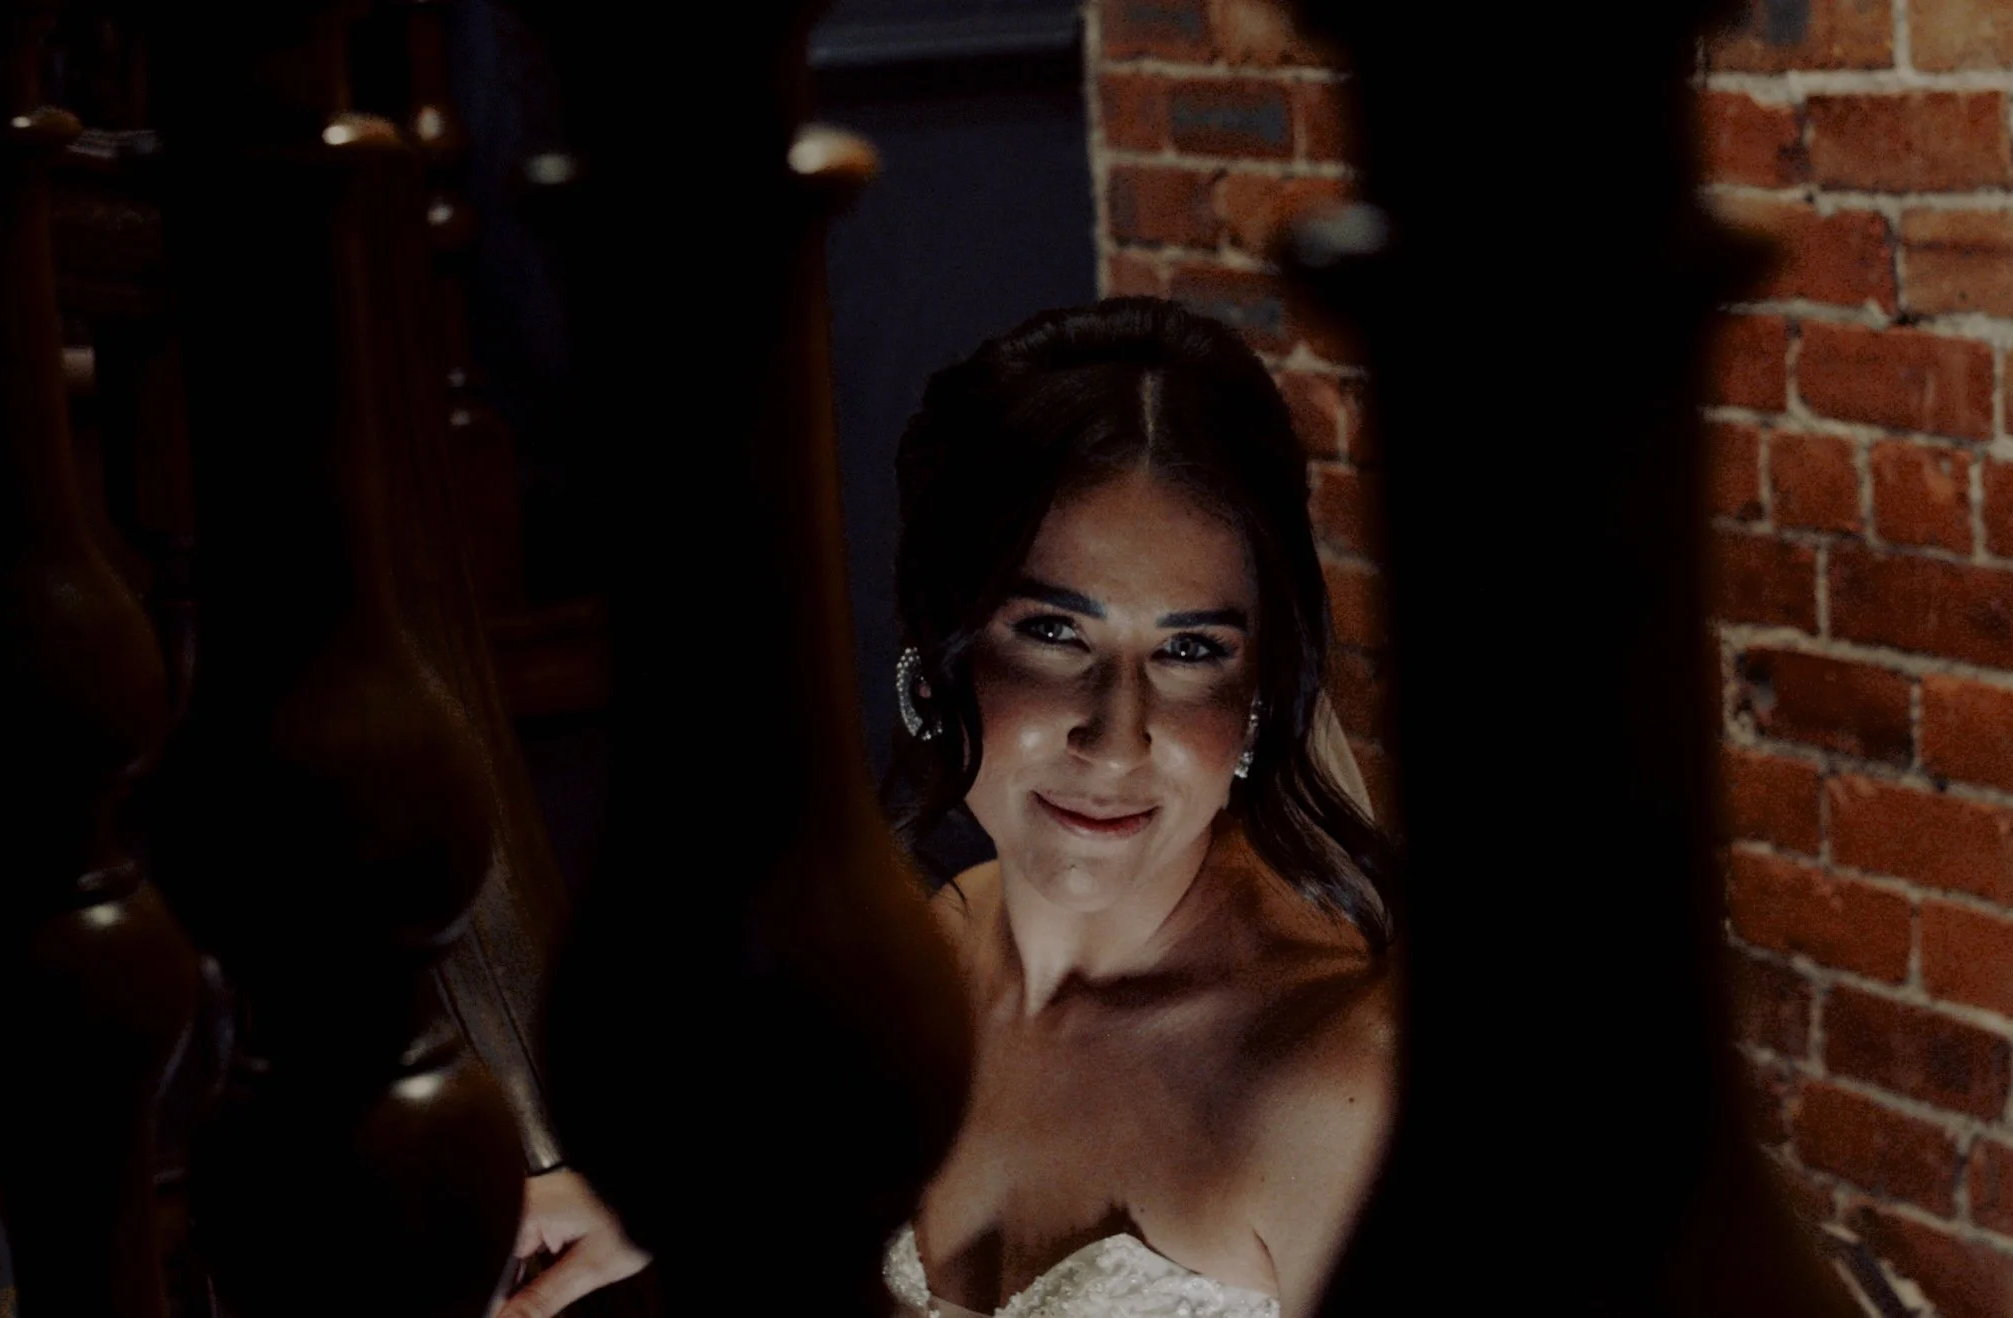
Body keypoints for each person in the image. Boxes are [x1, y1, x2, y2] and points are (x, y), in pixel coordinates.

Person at [502, 297, 1397, 1318]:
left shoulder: (1344, 1090)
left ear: (1258, 696)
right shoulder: (945, 949)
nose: (1115, 737)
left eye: (1191, 650)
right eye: (1053, 632)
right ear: (935, 662)